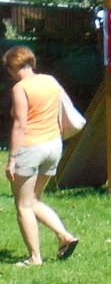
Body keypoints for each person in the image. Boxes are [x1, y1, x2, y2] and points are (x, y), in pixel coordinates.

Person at [5, 46, 79, 267]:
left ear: (13, 67)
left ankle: (35, 258)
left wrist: (11, 159)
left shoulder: (21, 88)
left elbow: (19, 125)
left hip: (31, 148)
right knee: (33, 200)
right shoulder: (50, 81)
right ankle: (65, 236)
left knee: (23, 205)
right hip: (54, 146)